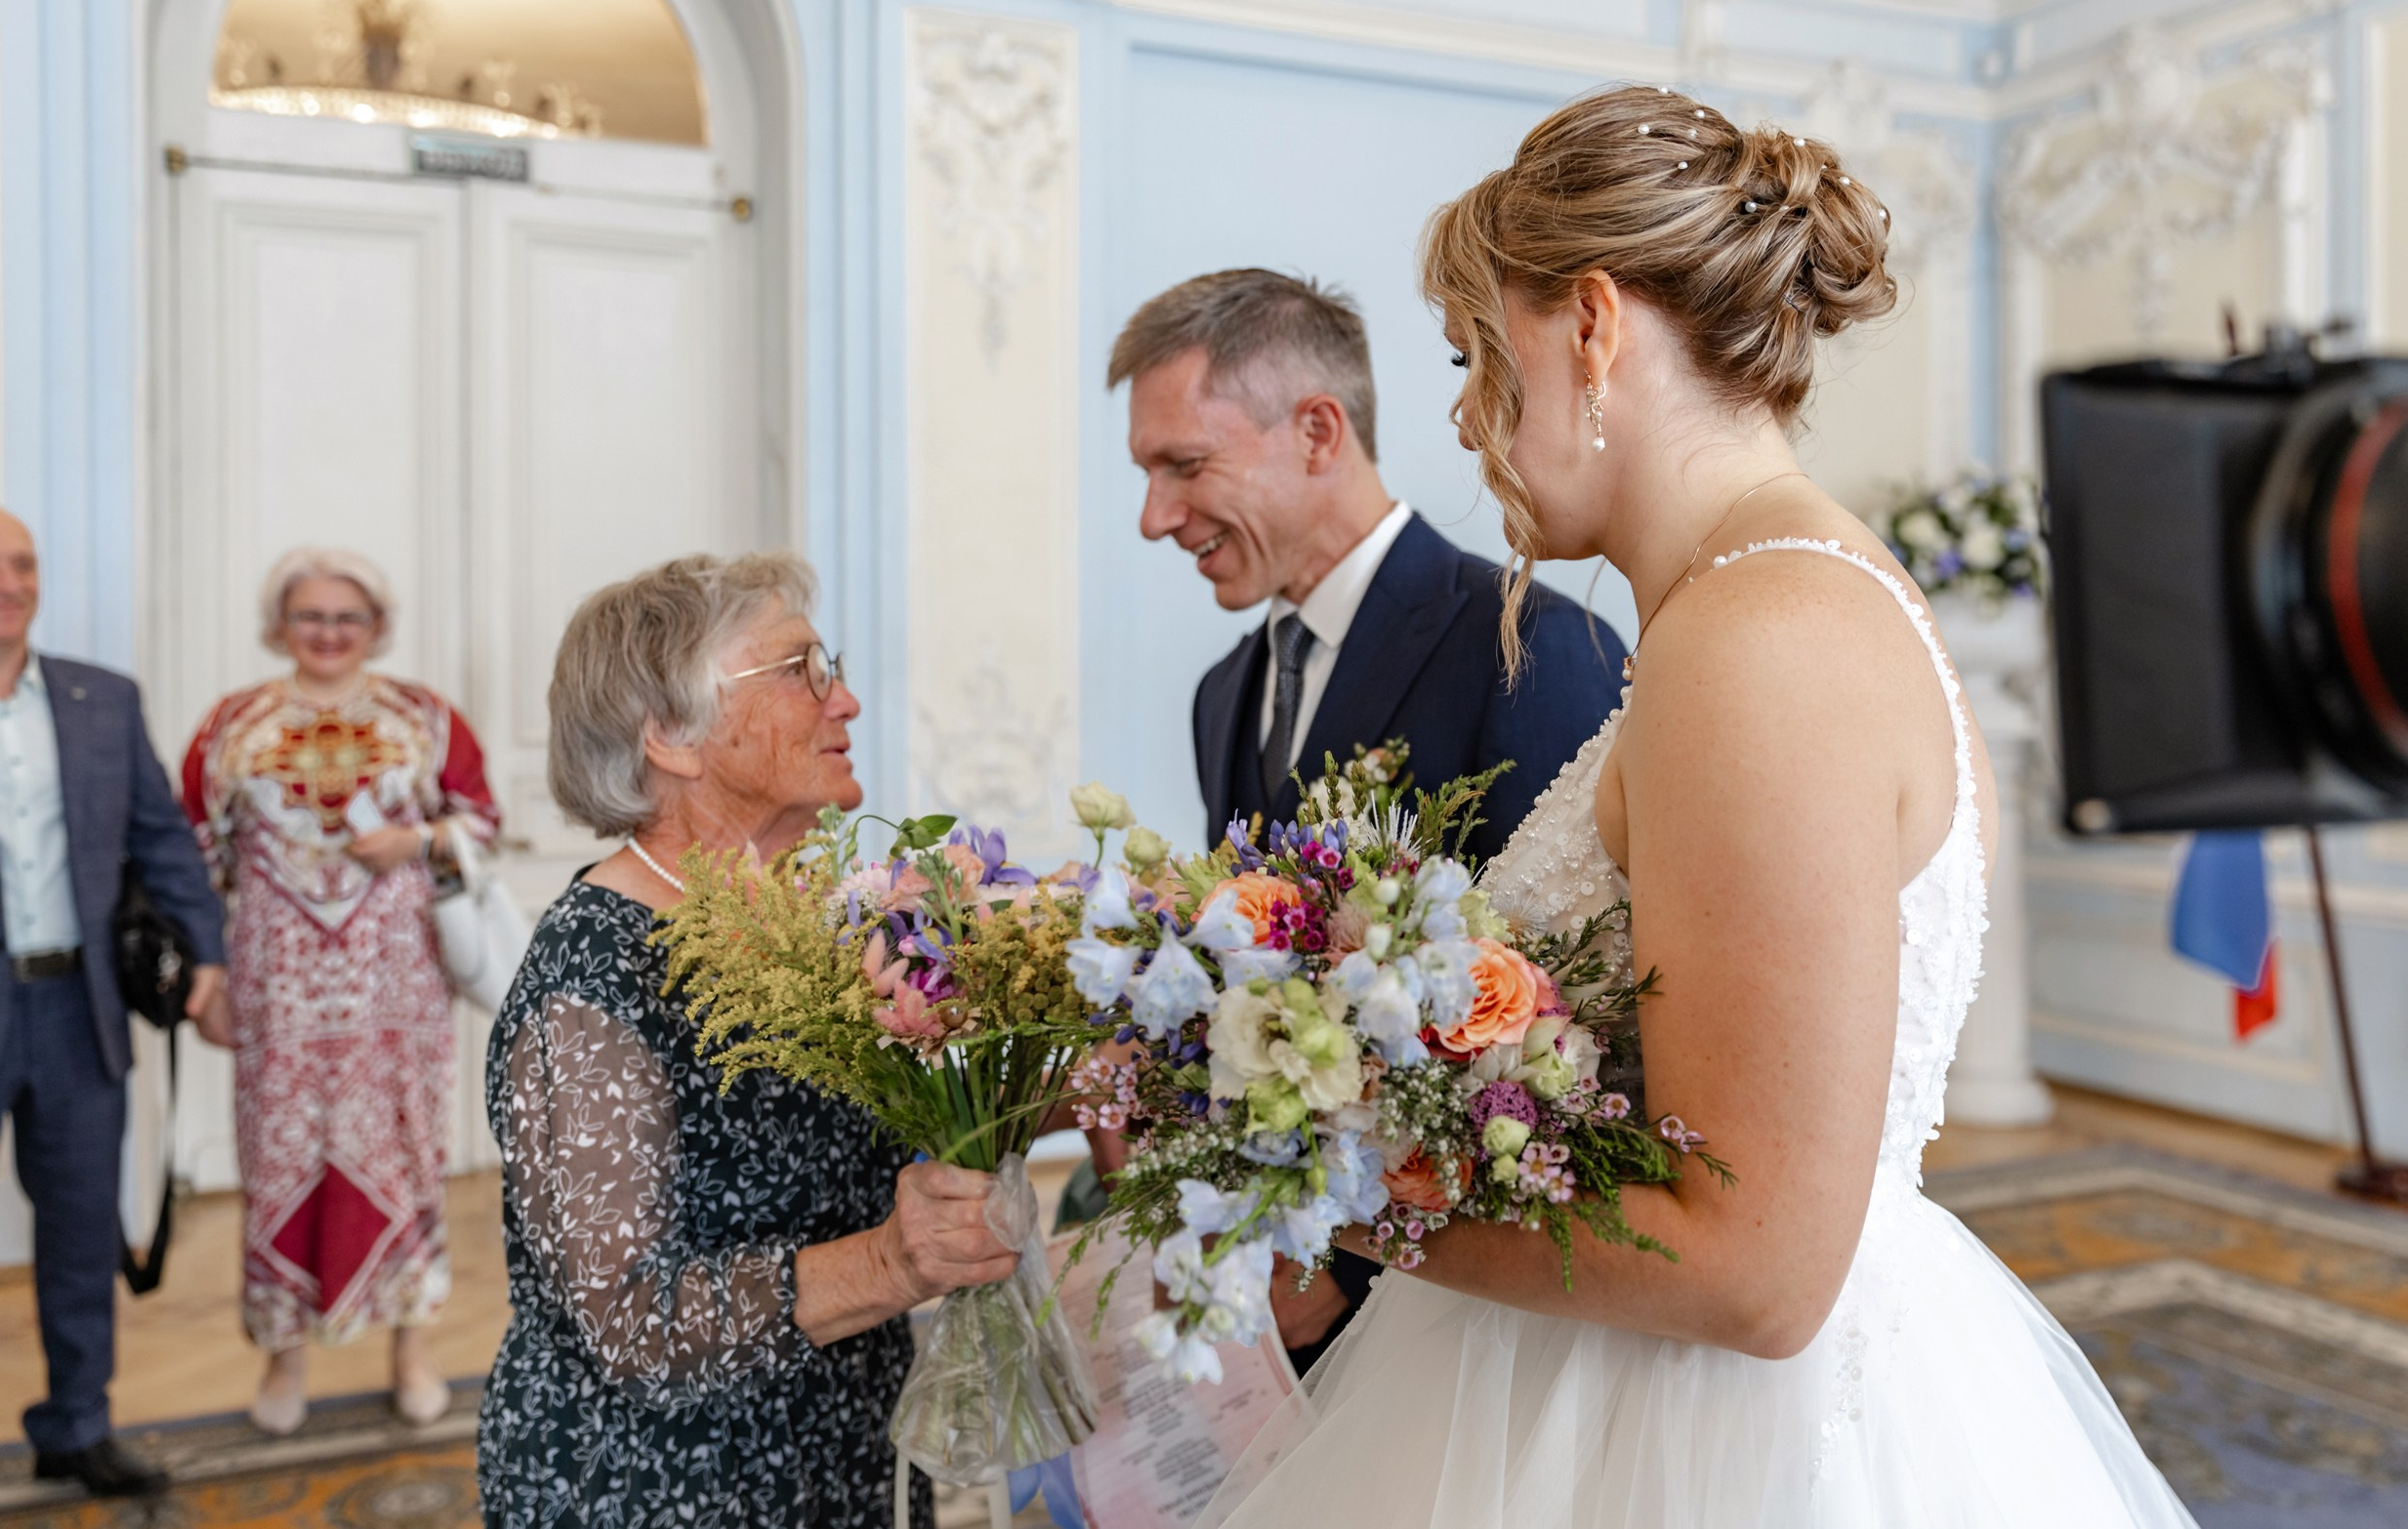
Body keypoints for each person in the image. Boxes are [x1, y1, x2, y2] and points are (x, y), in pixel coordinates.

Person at [1197, 89, 2197, 1527]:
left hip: (1711, 1434)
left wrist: (1333, 1188)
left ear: (1593, 326)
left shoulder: (1764, 640)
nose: (1468, 415)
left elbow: (1756, 1266)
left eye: (1482, 353)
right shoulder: (1762, 604)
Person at [1110, 268, 1629, 1371]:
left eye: (1183, 465)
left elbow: (1582, 1041)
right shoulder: (1224, 692)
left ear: (1315, 430)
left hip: (1466, 1325)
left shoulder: (1529, 649)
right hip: (1278, 1310)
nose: (1155, 516)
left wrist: (1344, 1265)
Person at [477, 554, 1023, 1529]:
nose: (845, 699)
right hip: (658, 1485)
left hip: (844, 1444)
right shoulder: (589, 982)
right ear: (672, 736)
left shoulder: (824, 915)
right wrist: (894, 1263)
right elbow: (630, 1323)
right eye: (802, 669)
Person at [182, 549, 500, 1436]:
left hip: (394, 987)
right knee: (278, 1159)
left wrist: (420, 841)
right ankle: (282, 1354)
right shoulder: (232, 725)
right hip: (275, 989)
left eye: (345, 618)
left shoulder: (423, 718)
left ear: (376, 625)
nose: (327, 633)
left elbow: (482, 819)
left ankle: (412, 1346)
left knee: (404, 1150)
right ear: (280, 623)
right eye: (310, 616)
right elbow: (189, 855)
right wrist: (200, 977)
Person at [0, 505, 225, 1498]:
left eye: (21, 562)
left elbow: (163, 837)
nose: (5, 579)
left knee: (82, 1231)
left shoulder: (102, 700)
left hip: (78, 1011)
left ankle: (77, 1424)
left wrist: (209, 959)